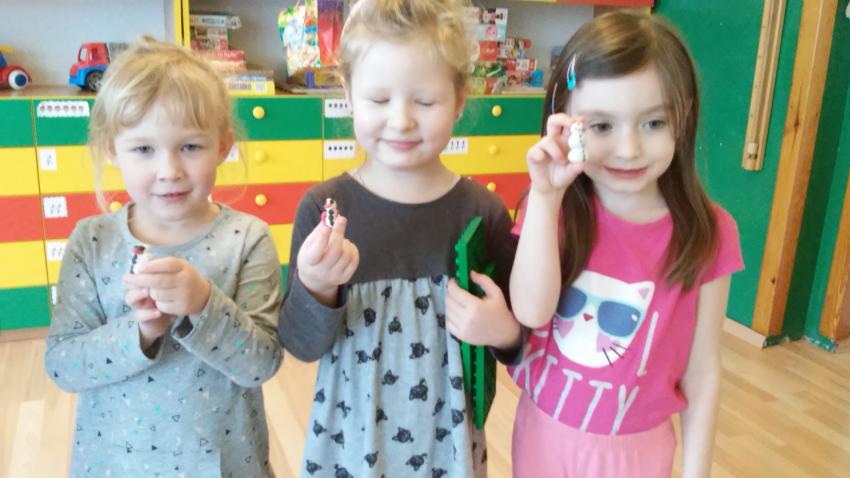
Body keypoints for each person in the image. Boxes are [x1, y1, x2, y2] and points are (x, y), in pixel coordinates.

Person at [277, 0, 521, 476]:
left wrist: (506, 332)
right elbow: (300, 345)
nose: (402, 120)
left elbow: (524, 340)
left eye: (425, 102)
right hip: (352, 446)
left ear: (460, 98)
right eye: (378, 99)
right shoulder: (324, 209)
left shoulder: (483, 212)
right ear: (348, 94)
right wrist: (316, 286)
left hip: (447, 451)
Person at [509, 11, 744, 478]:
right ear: (565, 125)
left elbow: (702, 371)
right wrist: (546, 197)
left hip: (638, 453)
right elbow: (531, 313)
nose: (629, 149)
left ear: (684, 117)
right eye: (601, 126)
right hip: (542, 436)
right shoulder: (550, 209)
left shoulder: (710, 232)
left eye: (653, 122)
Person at [44, 37, 284, 477]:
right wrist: (140, 332)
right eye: (143, 149)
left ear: (223, 146)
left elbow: (260, 364)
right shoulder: (92, 242)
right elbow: (63, 365)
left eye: (190, 147)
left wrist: (204, 305)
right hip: (116, 466)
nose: (169, 171)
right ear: (113, 149)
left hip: (225, 465)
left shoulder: (247, 239)